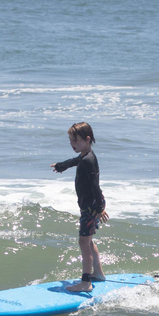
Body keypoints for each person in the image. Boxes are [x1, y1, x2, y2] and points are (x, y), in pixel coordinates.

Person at [51, 122, 109, 292]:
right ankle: (97, 274)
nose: (72, 144)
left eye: (75, 141)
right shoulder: (86, 156)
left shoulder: (88, 161)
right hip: (91, 205)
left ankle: (86, 283)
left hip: (91, 207)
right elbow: (74, 161)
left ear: (87, 139)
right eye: (70, 141)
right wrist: (61, 166)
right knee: (89, 241)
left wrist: (99, 208)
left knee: (84, 242)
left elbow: (95, 186)